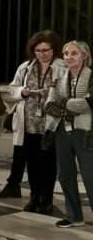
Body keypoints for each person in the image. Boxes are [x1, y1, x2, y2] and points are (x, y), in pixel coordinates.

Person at [5, 31, 65, 212]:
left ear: (53, 50)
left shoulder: (62, 67)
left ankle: (46, 199)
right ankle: (34, 197)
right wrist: (22, 92)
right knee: (32, 163)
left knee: (49, 163)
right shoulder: (26, 67)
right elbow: (11, 89)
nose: (41, 54)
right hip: (29, 123)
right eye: (38, 50)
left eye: (45, 50)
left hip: (50, 124)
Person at [43, 41, 93, 228]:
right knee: (65, 175)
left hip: (86, 132)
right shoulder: (59, 79)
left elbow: (88, 104)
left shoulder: (91, 77)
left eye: (74, 53)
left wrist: (63, 102)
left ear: (84, 56)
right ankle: (74, 216)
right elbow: (49, 105)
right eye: (66, 53)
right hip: (62, 131)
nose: (69, 57)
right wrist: (73, 104)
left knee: (90, 177)